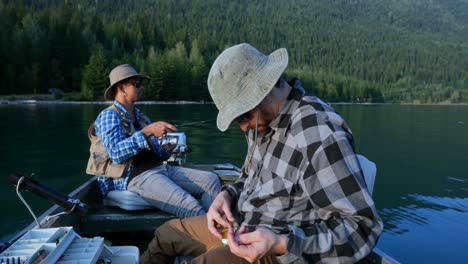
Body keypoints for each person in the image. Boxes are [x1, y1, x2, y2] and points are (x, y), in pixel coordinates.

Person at [139, 44, 383, 263]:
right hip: (243, 225)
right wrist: (226, 196)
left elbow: (362, 228)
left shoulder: (319, 133)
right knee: (166, 235)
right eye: (237, 119)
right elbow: (249, 177)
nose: (243, 127)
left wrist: (281, 243)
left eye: (243, 116)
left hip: (280, 253)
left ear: (266, 89)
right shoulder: (261, 122)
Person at [86, 64, 221, 218]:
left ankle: (210, 226)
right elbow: (116, 153)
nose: (142, 87)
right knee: (190, 205)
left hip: (159, 169)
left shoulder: (141, 117)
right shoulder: (109, 116)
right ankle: (211, 233)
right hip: (134, 177)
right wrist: (147, 132)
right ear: (121, 88)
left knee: (211, 180)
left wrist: (167, 148)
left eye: (141, 84)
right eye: (137, 84)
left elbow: (158, 153)